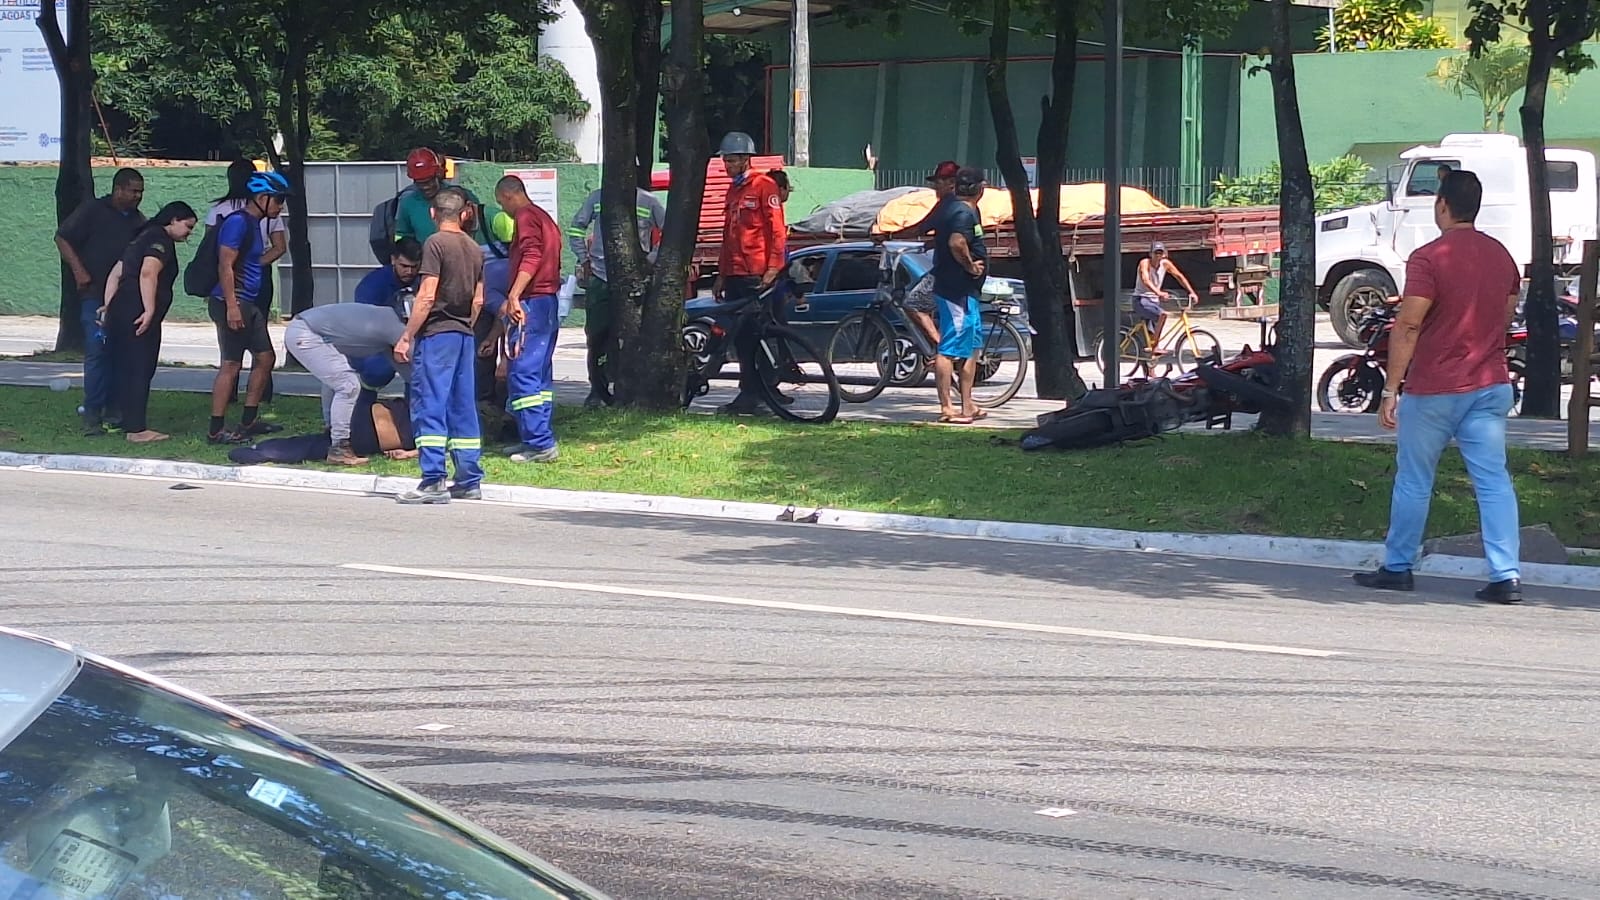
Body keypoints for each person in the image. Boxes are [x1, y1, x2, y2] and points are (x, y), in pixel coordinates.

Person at [1354, 170, 1526, 604]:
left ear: (1442, 205)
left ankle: (1398, 567)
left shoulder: (1429, 258)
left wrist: (1391, 389)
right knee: (1493, 481)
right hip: (1489, 383)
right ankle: (1506, 575)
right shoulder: (1502, 257)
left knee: (1415, 479)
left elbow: (1409, 323)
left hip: (1434, 387)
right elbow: (1505, 315)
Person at [392, 187, 485, 504]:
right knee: (462, 406)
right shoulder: (475, 248)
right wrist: (465, 325)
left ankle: (433, 480)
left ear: (433, 214)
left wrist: (408, 335)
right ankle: (469, 480)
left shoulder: (434, 244)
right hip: (464, 336)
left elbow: (427, 295)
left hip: (437, 336)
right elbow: (479, 300)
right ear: (464, 214)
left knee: (430, 403)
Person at [55, 167, 146, 434]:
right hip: (94, 294)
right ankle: (92, 412)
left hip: (124, 298)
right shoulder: (92, 210)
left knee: (120, 353)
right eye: (133, 191)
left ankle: (115, 409)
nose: (138, 196)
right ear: (118, 189)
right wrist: (79, 271)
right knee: (98, 350)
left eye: (141, 192)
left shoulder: (138, 221)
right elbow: (62, 238)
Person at [99, 201, 197, 444]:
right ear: (174, 220)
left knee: (124, 367)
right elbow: (148, 272)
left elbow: (116, 273)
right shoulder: (159, 240)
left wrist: (108, 306)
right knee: (140, 368)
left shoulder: (140, 237)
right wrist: (150, 308)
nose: (189, 233)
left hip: (121, 309)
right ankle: (137, 429)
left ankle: (123, 419)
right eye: (188, 226)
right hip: (137, 312)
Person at [206, 170, 289, 444]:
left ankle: (248, 420)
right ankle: (216, 430)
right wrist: (231, 306)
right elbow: (225, 265)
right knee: (231, 364)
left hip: (248, 301)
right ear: (262, 198)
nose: (281, 206)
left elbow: (255, 258)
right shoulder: (238, 223)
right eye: (278, 200)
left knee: (265, 358)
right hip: (233, 301)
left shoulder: (255, 223)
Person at [567, 182, 667, 407]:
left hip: (635, 278)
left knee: (633, 336)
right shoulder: (597, 197)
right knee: (596, 336)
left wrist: (651, 259)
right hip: (600, 276)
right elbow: (576, 229)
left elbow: (669, 232)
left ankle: (629, 388)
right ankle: (597, 389)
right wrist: (584, 258)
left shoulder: (649, 201)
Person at [710, 131, 787, 416]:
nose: (727, 166)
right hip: (735, 274)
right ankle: (748, 393)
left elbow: (777, 231)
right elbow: (728, 236)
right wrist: (721, 274)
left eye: (732, 161)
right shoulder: (733, 191)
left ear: (746, 160)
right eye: (725, 161)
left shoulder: (764, 186)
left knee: (759, 335)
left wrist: (773, 267)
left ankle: (764, 393)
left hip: (757, 273)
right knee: (741, 338)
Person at [285, 302, 413, 465]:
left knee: (338, 380)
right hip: (306, 333)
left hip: (305, 328)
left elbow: (412, 375)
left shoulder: (386, 323)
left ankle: (332, 432)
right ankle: (339, 448)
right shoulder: (395, 328)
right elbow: (423, 368)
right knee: (348, 386)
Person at [493, 175, 564, 462]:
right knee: (539, 374)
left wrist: (513, 295)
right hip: (546, 302)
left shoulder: (525, 217)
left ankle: (540, 443)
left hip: (532, 303)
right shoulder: (543, 218)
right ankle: (533, 438)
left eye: (501, 203)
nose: (504, 210)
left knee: (523, 372)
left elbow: (532, 256)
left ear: (509, 196)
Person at [930, 167, 990, 425]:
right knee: (949, 350)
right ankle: (947, 407)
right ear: (980, 189)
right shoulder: (962, 213)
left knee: (972, 349)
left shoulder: (961, 210)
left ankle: (968, 405)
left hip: (968, 293)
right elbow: (957, 242)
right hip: (956, 291)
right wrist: (970, 266)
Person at [891, 161, 961, 347]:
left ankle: (940, 347)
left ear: (951, 183)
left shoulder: (947, 205)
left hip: (946, 269)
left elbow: (921, 228)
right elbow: (952, 232)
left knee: (913, 304)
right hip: (957, 270)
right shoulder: (964, 205)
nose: (935, 187)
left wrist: (889, 236)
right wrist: (934, 242)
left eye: (938, 182)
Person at [394, 148, 484, 246]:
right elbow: (401, 234)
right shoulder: (408, 203)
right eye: (420, 183)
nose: (426, 187)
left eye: (429, 181)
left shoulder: (461, 196)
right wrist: (408, 247)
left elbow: (480, 229)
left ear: (438, 174)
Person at [1131, 242, 1198, 354]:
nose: (1158, 256)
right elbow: (1146, 280)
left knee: (1153, 332)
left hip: (1154, 302)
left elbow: (1179, 276)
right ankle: (1155, 347)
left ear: (1164, 254)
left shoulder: (1166, 264)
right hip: (1141, 299)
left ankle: (1150, 357)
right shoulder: (1145, 263)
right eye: (1156, 253)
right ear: (1150, 254)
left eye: (1160, 253)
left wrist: (1191, 292)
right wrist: (1159, 293)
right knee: (1162, 315)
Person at [354, 238, 423, 319]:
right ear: (393, 260)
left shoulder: (424, 279)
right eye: (404, 266)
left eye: (414, 267)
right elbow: (364, 318)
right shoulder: (371, 286)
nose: (409, 272)